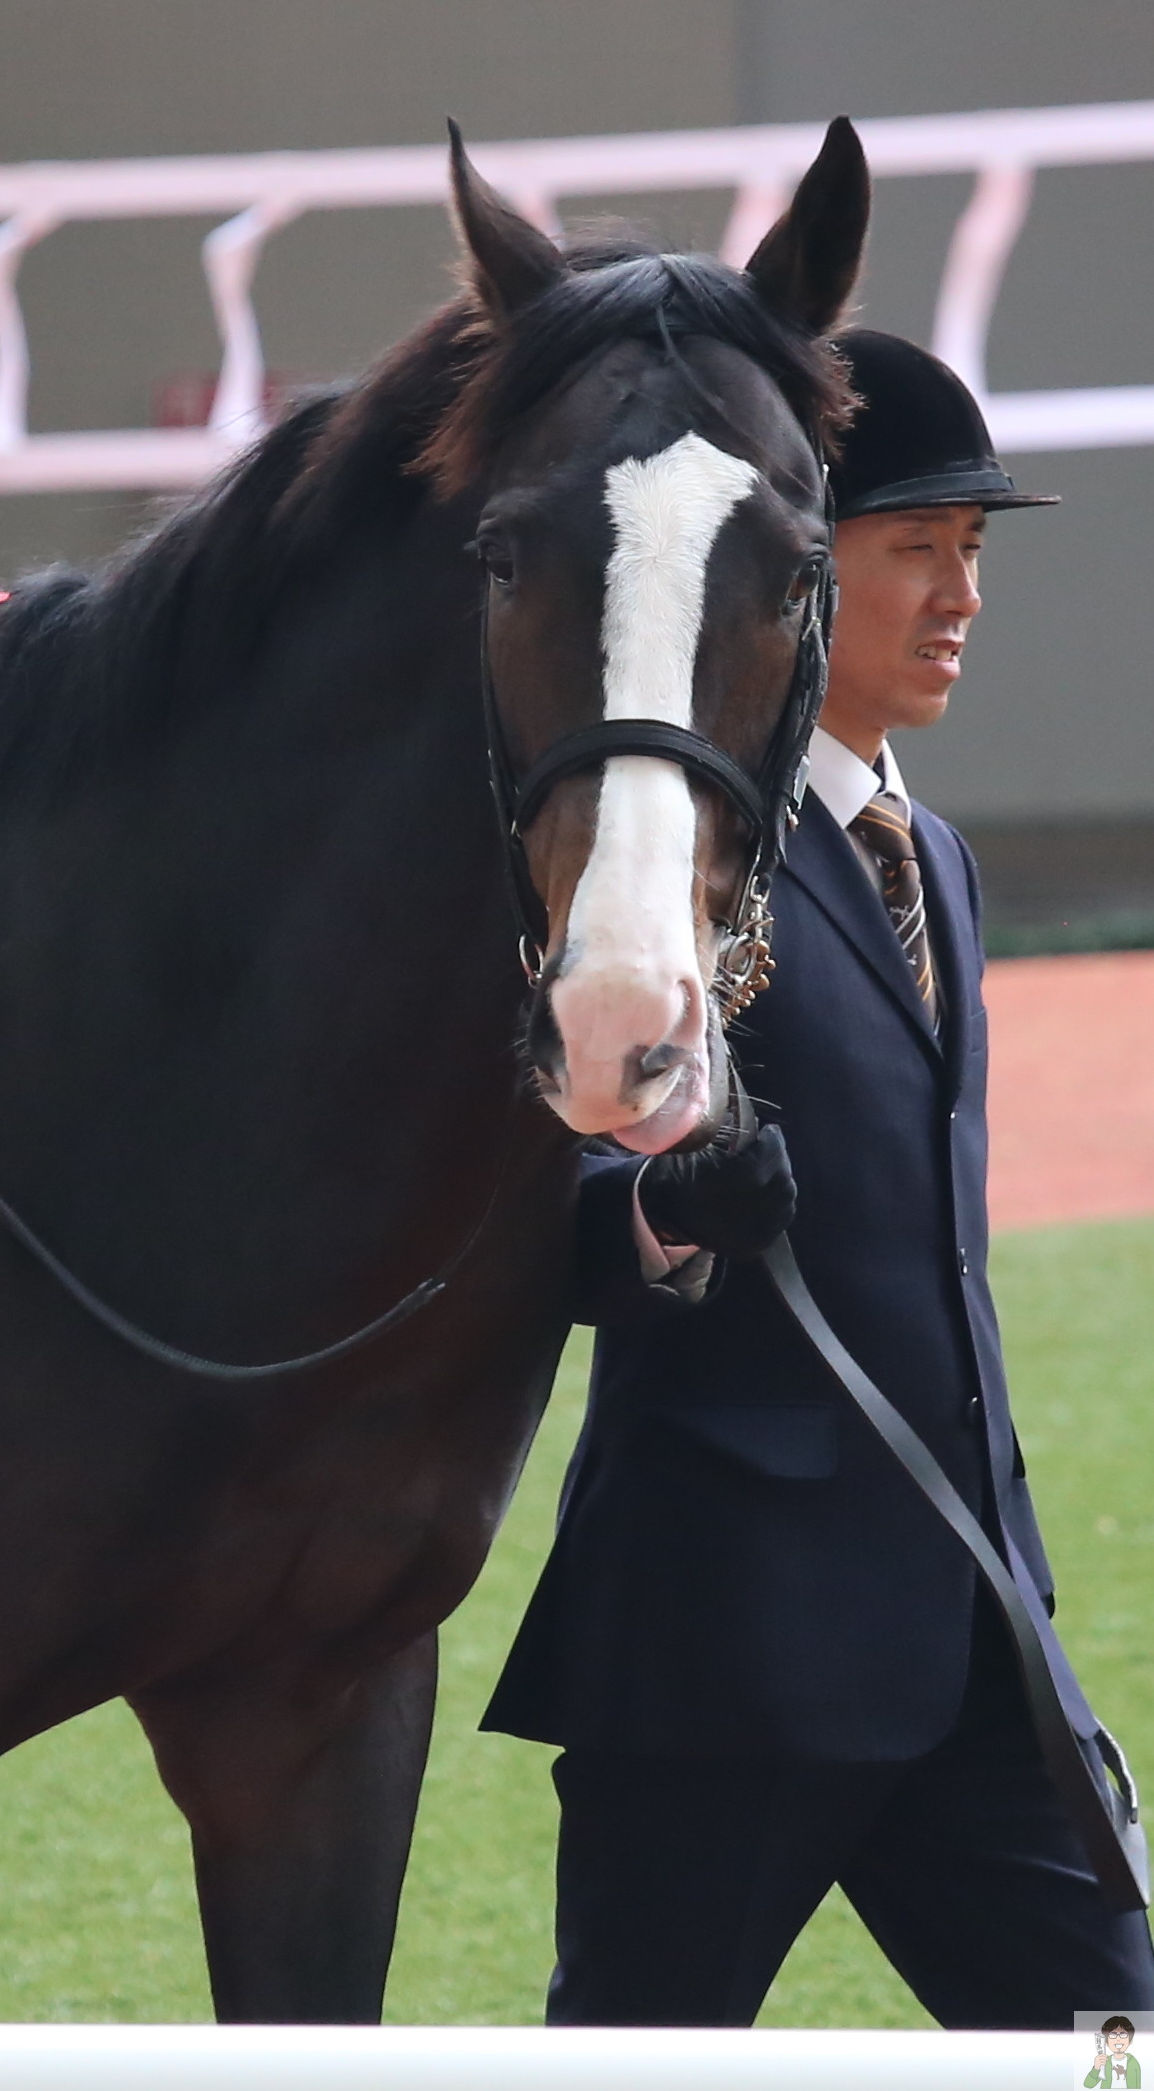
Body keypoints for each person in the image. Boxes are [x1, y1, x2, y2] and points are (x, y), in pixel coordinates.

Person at [482, 329, 1154, 2027]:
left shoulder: (933, 855)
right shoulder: (662, 866)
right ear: (786, 581)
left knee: (1115, 2044)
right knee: (625, 2074)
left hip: (967, 1638)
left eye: (972, 551)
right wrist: (661, 1211)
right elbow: (508, 1204)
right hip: (720, 1657)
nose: (958, 595)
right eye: (913, 548)